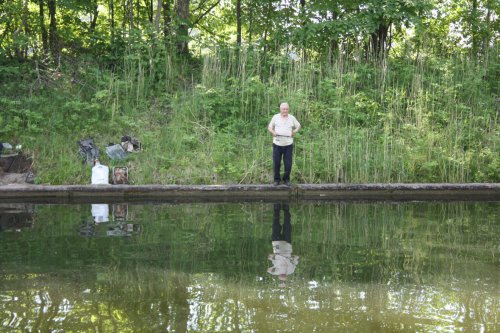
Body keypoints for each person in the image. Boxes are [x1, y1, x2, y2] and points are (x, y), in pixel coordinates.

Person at [268, 102, 301, 186]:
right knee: (276, 163)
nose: (285, 111)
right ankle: (276, 180)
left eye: (286, 109)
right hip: (277, 144)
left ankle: (286, 179)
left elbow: (298, 126)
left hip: (288, 144)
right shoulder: (275, 117)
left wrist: (294, 131)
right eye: (283, 109)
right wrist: (273, 132)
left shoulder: (292, 118)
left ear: (288, 109)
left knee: (288, 164)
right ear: (280, 109)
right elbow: (269, 127)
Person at [267, 203, 299, 287]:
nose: (283, 274)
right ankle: (286, 209)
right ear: (287, 276)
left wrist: (271, 258)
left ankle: (276, 209)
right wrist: (294, 257)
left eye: (281, 276)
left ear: (279, 276)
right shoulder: (291, 270)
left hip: (277, 245)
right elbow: (295, 260)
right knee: (287, 225)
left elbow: (268, 270)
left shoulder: (276, 270)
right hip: (287, 245)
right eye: (284, 276)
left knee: (275, 224)